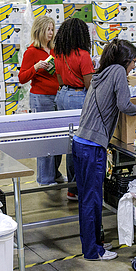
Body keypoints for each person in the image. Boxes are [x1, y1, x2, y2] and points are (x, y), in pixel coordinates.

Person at [72, 39, 136, 261]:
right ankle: (94, 251)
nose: (133, 67)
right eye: (133, 62)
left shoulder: (101, 72)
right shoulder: (118, 72)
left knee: (87, 199)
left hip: (81, 143)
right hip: (92, 147)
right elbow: (124, 105)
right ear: (126, 60)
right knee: (92, 200)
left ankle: (93, 243)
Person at [52, 17, 96, 198]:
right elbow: (90, 84)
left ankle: (72, 186)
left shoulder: (59, 53)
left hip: (62, 95)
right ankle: (77, 187)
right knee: (80, 142)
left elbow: (60, 79)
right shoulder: (83, 55)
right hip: (78, 97)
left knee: (69, 142)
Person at [19, 15, 62, 185]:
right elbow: (22, 78)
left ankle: (55, 173)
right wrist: (36, 67)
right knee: (46, 140)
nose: (51, 33)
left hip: (57, 96)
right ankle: (45, 178)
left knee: (59, 139)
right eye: (48, 30)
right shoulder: (31, 52)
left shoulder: (54, 50)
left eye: (52, 29)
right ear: (39, 30)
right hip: (41, 98)